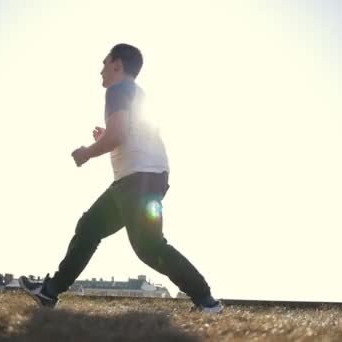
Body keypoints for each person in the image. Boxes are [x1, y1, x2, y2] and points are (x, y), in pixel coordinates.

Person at [19, 43, 222, 313]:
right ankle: (50, 291)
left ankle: (206, 300)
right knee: (90, 227)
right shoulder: (135, 93)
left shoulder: (118, 89)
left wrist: (88, 152)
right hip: (138, 178)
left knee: (148, 247)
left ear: (117, 65)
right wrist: (106, 135)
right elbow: (130, 132)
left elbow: (119, 135)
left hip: (139, 178)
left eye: (104, 63)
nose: (100, 70)